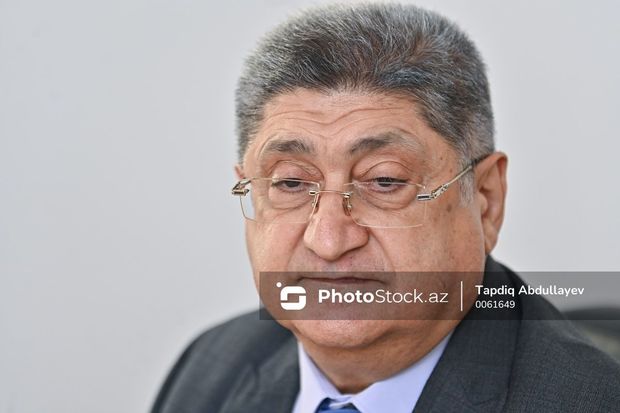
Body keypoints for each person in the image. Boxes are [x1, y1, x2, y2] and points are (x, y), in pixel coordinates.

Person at [151, 3, 620, 412]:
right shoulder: (212, 367)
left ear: (485, 200)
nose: (328, 240)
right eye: (291, 182)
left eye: (384, 181)